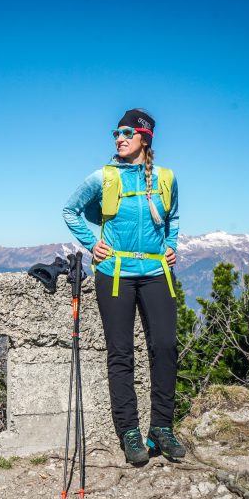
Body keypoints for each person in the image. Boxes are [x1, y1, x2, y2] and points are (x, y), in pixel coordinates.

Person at [62, 108, 185, 464]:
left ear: (144, 138)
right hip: (114, 271)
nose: (119, 138)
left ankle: (161, 427)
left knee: (164, 346)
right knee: (121, 352)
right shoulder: (103, 176)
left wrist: (172, 244)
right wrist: (91, 242)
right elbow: (70, 210)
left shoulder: (165, 178)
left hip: (156, 271)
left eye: (127, 133)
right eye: (116, 133)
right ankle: (129, 432)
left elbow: (173, 215)